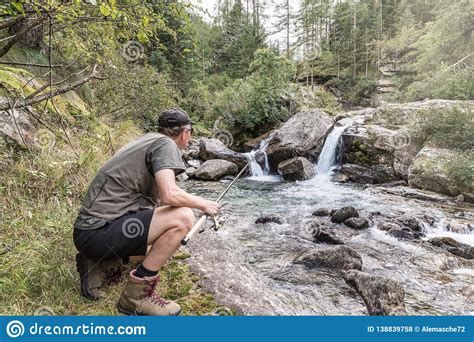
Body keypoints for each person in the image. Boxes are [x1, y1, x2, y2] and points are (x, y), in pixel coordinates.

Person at [73, 108, 219, 316]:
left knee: (160, 244)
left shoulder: (149, 140)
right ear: (185, 133)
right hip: (98, 233)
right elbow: (169, 195)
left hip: (89, 232)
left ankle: (99, 264)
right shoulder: (166, 144)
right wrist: (203, 203)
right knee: (183, 217)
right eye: (191, 132)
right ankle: (136, 298)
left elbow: (164, 196)